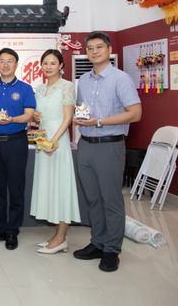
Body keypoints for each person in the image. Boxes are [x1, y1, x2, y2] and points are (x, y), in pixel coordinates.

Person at [73, 31, 141, 272]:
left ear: (109, 49)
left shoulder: (121, 79)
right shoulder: (83, 80)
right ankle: (98, 242)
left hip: (109, 145)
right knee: (92, 198)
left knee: (110, 199)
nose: (94, 52)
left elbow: (135, 113)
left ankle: (112, 250)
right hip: (85, 145)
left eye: (99, 47)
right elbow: (83, 110)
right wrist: (80, 119)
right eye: (90, 48)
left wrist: (99, 122)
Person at [0, 48, 35, 250]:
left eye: (10, 61)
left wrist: (12, 119)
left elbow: (29, 114)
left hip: (16, 143)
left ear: (16, 64)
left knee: (15, 189)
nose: (5, 64)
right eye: (2, 61)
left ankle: (13, 231)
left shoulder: (25, 88)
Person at [30, 49, 81, 254]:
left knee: (61, 186)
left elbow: (68, 118)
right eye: (45, 63)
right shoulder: (39, 89)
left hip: (57, 142)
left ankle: (61, 238)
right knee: (49, 185)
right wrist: (35, 117)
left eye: (53, 63)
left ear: (60, 65)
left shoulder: (67, 86)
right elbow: (38, 116)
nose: (48, 67)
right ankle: (57, 236)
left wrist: (53, 141)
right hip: (43, 141)